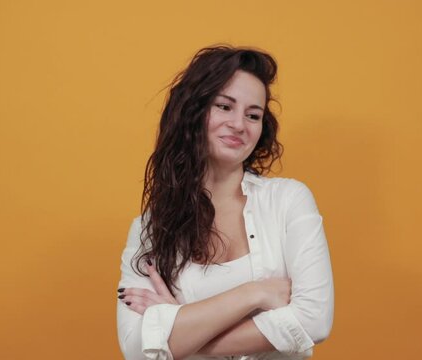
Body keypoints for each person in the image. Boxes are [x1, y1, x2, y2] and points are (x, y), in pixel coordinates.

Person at [116, 44, 334, 360]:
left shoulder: (288, 201)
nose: (239, 125)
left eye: (253, 115)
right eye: (224, 106)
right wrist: (254, 293)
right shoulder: (150, 229)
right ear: (193, 111)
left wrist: (179, 327)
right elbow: (137, 350)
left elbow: (314, 320)